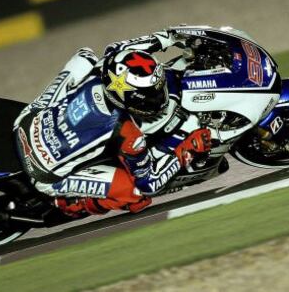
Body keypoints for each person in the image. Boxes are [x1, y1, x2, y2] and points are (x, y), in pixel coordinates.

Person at [14, 29, 211, 218]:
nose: (158, 99)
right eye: (148, 96)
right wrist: (185, 150)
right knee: (135, 195)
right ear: (127, 97)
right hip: (44, 172)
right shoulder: (127, 131)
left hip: (27, 122)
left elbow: (121, 48)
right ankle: (66, 204)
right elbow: (149, 183)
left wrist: (166, 38)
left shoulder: (106, 66)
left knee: (85, 57)